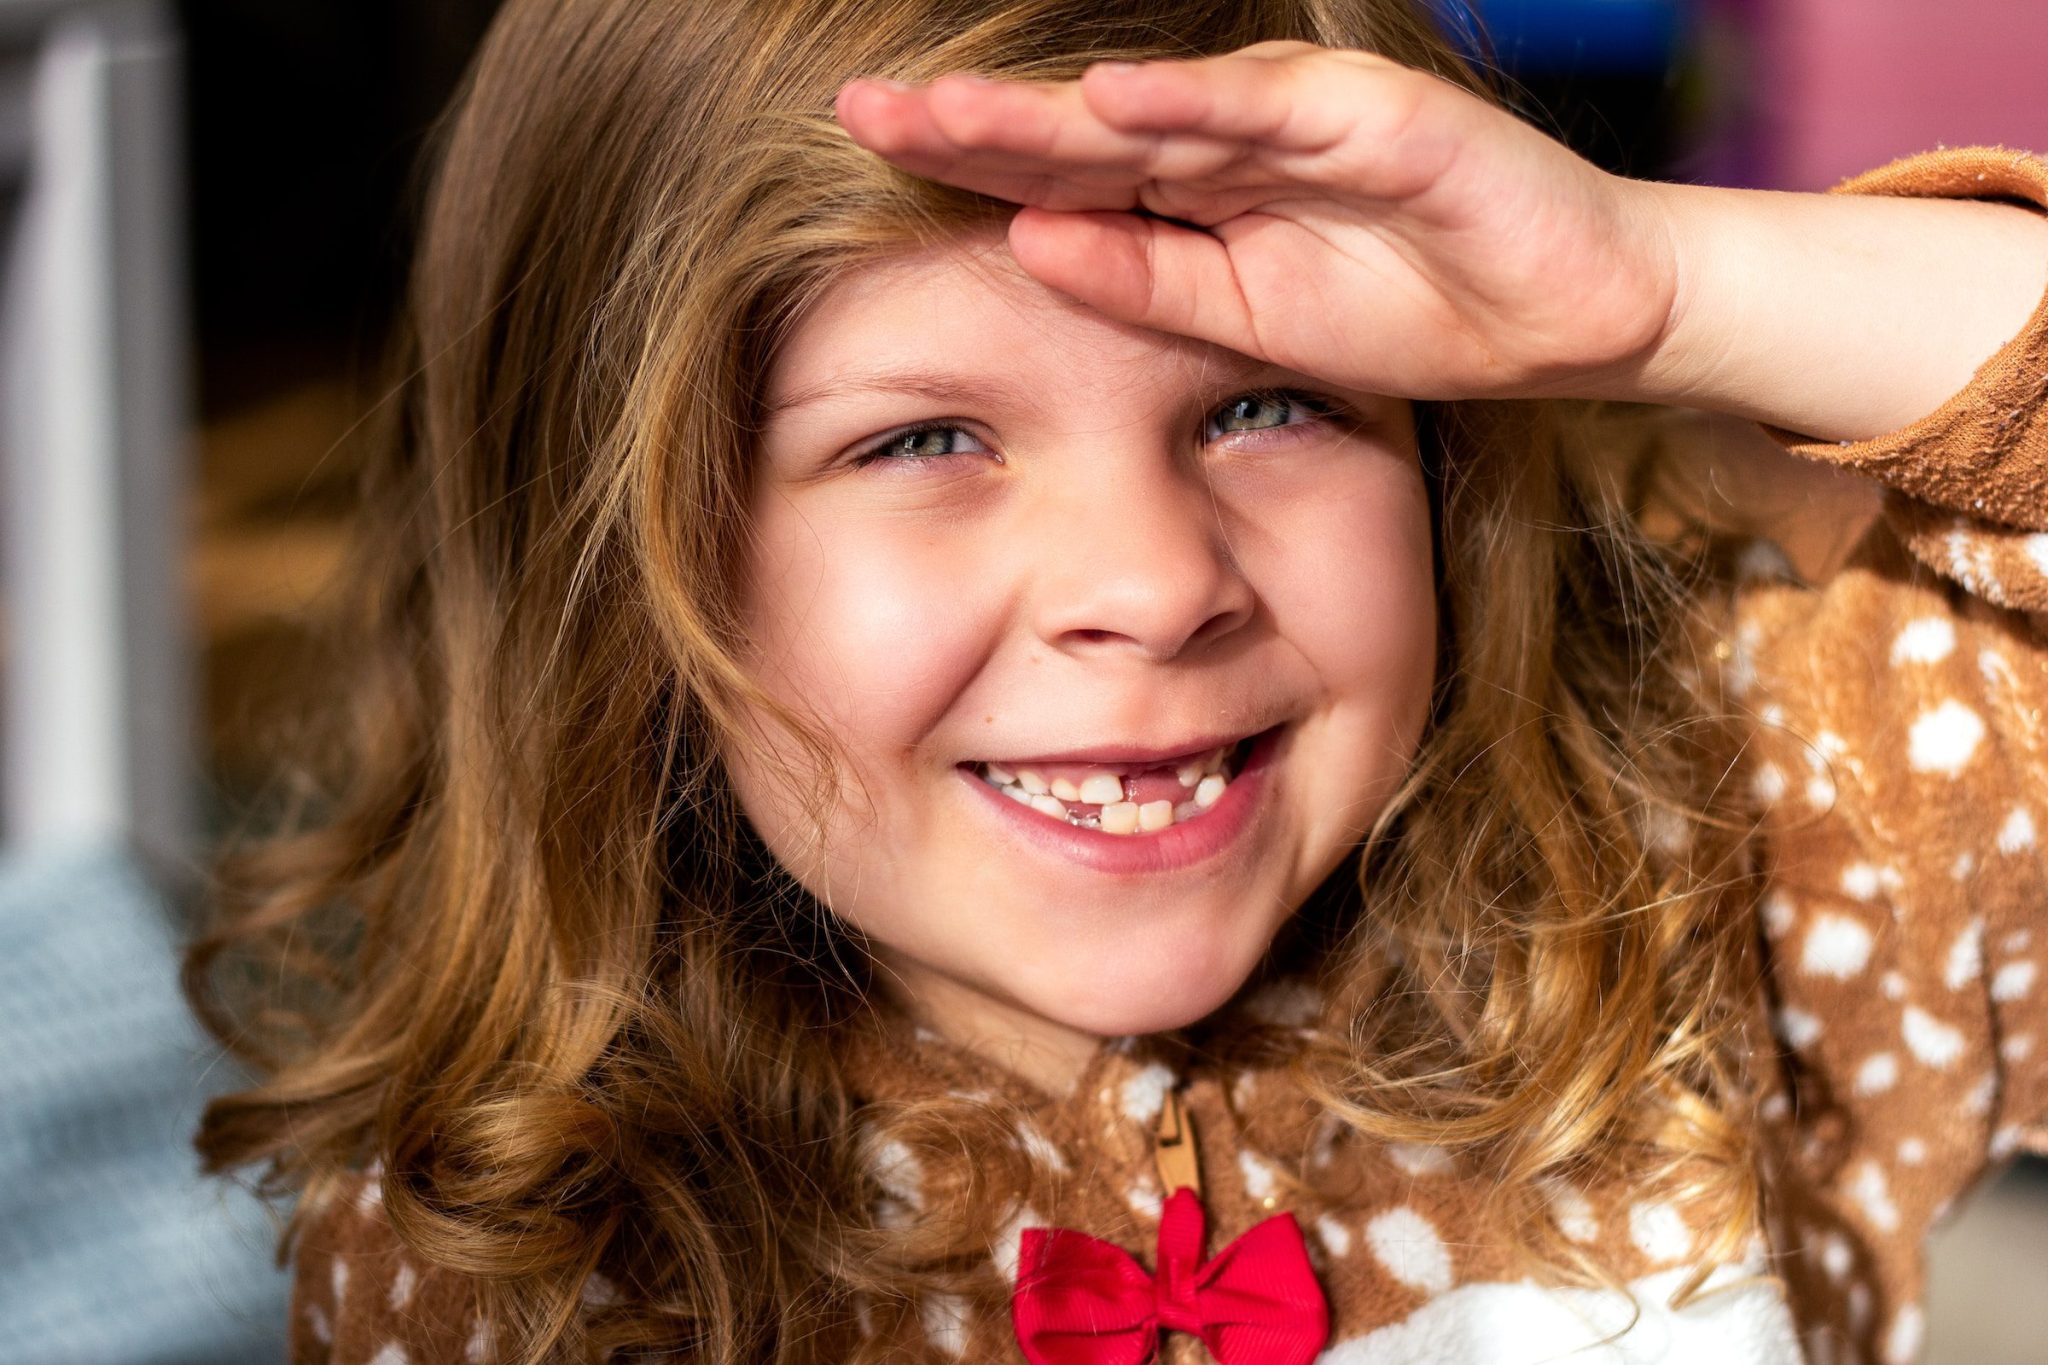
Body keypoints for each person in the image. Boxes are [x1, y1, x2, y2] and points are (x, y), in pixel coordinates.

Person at [182, 1, 2048, 1362]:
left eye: (1264, 404)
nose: (1153, 586)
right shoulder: (498, 1263)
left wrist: (1659, 286)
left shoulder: (1740, 853)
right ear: (615, 577)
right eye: (923, 439)